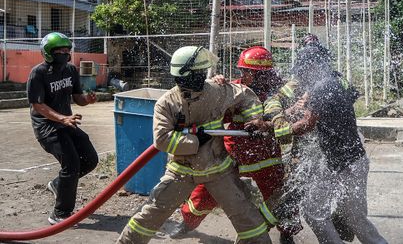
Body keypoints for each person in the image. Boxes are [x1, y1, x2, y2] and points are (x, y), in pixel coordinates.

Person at [116, 46, 271, 244]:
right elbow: (162, 139)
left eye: (201, 72)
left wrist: (255, 118)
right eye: (197, 73)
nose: (201, 77)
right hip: (182, 171)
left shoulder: (215, 91)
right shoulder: (167, 103)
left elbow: (245, 95)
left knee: (245, 215)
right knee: (152, 213)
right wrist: (197, 141)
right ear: (183, 75)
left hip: (218, 170)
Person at [170, 46, 300, 243]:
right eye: (242, 71)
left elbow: (292, 115)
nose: (242, 75)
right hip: (235, 154)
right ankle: (188, 222)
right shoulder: (234, 90)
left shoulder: (279, 93)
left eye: (245, 71)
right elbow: (212, 108)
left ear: (258, 73)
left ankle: (287, 233)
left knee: (279, 195)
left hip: (266, 156)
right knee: (207, 192)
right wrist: (214, 86)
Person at [278, 44, 387, 244]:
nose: (300, 76)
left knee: (314, 212)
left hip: (342, 162)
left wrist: (277, 131)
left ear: (312, 67)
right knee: (354, 217)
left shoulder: (320, 88)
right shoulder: (335, 82)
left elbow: (306, 125)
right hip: (353, 160)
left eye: (302, 71)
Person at [27, 32, 99, 225]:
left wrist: (88, 99)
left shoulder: (70, 70)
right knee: (72, 165)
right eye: (60, 50)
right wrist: (62, 118)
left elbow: (78, 98)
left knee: (90, 159)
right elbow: (38, 105)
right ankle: (60, 214)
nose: (65, 53)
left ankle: (58, 184)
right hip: (47, 127)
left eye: (67, 50)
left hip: (66, 123)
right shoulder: (38, 73)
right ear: (48, 52)